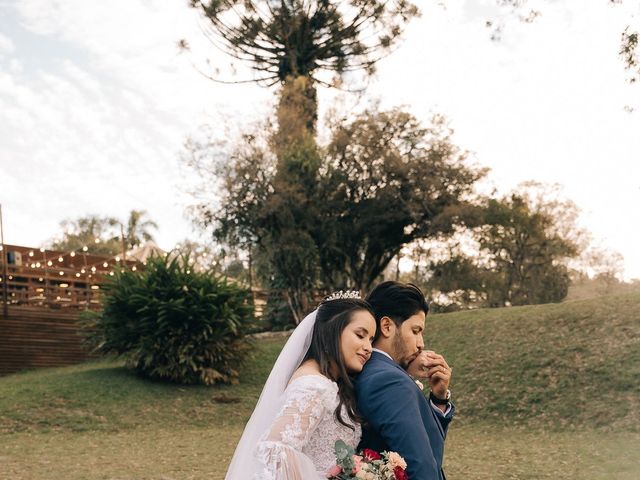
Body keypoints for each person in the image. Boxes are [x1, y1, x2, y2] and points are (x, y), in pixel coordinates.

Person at [225, 293, 376, 479]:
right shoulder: (314, 386)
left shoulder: (321, 381)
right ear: (331, 331)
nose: (368, 347)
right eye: (360, 335)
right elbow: (275, 450)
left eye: (371, 339)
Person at [356, 281, 455, 480]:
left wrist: (439, 399)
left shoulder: (375, 371)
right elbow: (421, 465)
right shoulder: (390, 381)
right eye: (416, 331)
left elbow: (429, 447)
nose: (421, 344)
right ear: (386, 326)